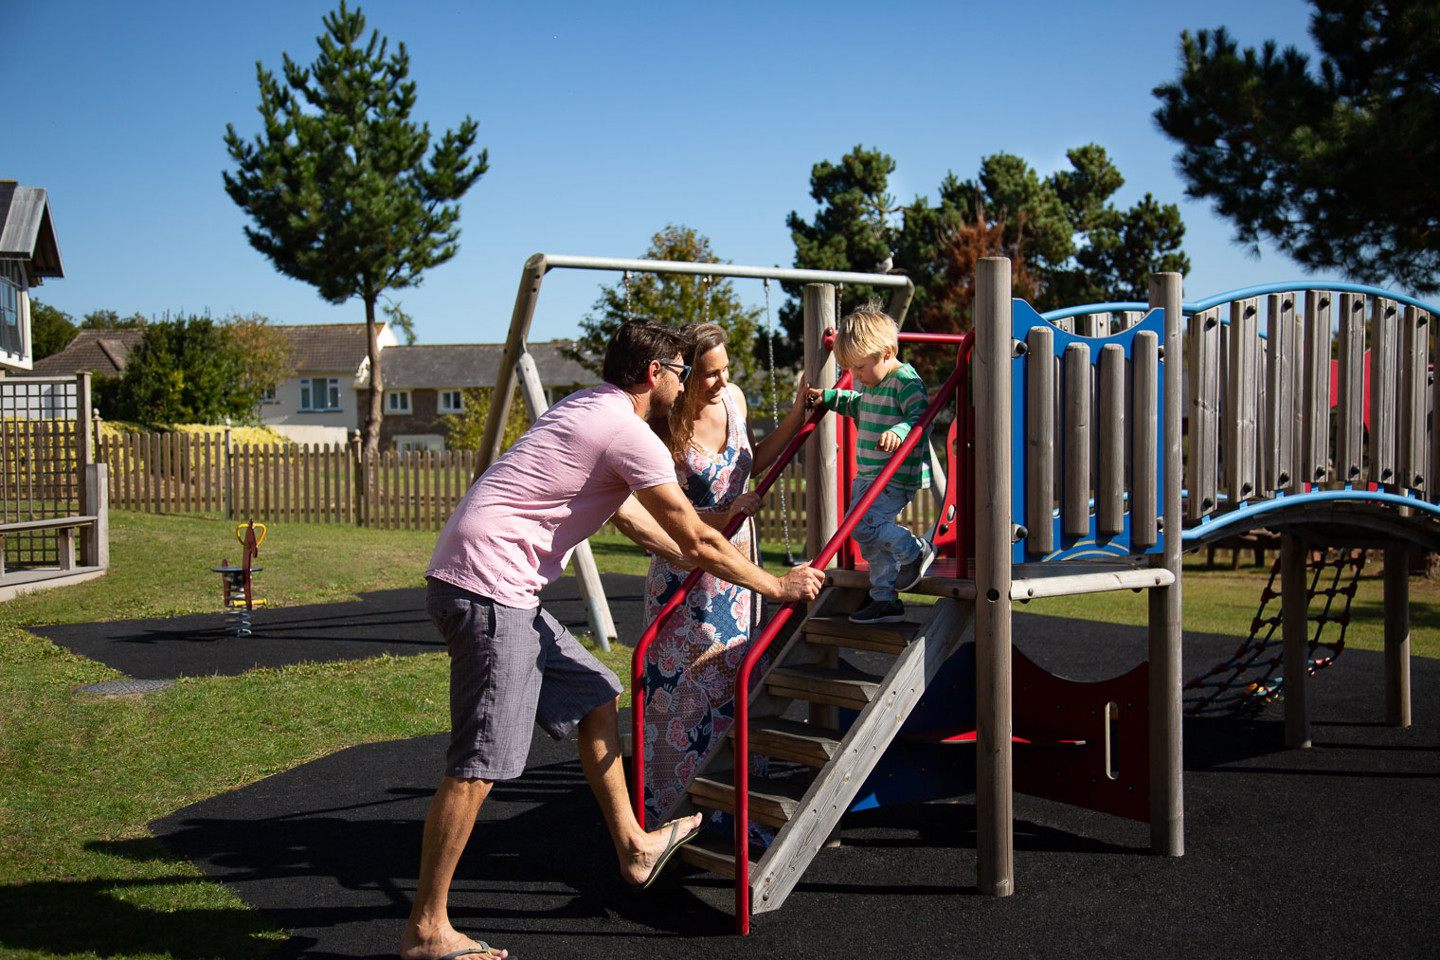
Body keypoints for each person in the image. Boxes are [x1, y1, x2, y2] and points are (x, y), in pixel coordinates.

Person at [401, 319, 825, 960]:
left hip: (494, 583)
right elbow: (698, 538)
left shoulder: (588, 409)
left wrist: (687, 556)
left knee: (597, 691)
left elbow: (631, 517)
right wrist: (776, 587)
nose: (686, 385)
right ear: (656, 374)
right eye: (682, 372)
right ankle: (427, 930)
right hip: (488, 590)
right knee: (481, 763)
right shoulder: (629, 432)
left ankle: (633, 845)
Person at [640, 322, 811, 826]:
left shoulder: (733, 400)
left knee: (737, 678)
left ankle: (737, 814)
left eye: (725, 370)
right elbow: (664, 516)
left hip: (737, 567)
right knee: (686, 692)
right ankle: (676, 814)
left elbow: (754, 462)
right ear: (687, 373)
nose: (720, 381)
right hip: (688, 568)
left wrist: (800, 412)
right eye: (709, 374)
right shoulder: (665, 421)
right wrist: (726, 511)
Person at [806, 303, 934, 624]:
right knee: (869, 540)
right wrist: (827, 397)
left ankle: (915, 551)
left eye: (860, 368)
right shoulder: (872, 386)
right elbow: (856, 404)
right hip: (868, 476)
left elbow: (922, 418)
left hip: (892, 477)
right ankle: (885, 599)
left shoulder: (905, 381)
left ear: (887, 353)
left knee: (862, 527)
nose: (857, 377)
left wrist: (900, 430)